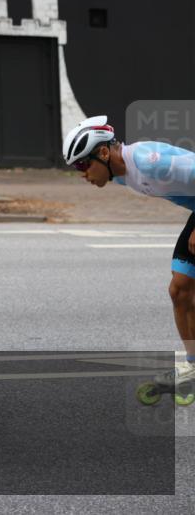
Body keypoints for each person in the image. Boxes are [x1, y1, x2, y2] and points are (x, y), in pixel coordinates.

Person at [63, 116, 195, 393]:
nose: (82, 174)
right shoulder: (121, 175)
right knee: (180, 290)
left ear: (103, 152)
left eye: (83, 164)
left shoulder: (151, 162)